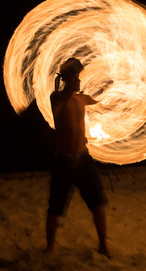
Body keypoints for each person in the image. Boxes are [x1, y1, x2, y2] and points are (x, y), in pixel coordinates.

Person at [45, 58, 111, 259]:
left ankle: (103, 246)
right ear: (67, 79)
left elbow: (103, 102)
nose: (79, 81)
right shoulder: (57, 98)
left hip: (83, 160)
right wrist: (66, 79)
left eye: (79, 77)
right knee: (55, 208)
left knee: (97, 205)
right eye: (76, 77)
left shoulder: (83, 99)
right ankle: (49, 248)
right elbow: (60, 96)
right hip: (63, 162)